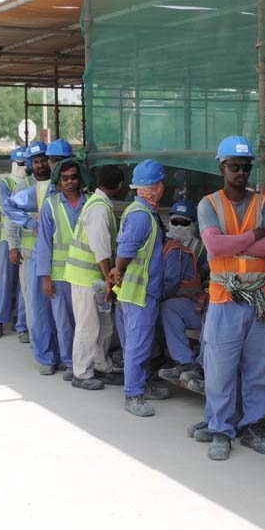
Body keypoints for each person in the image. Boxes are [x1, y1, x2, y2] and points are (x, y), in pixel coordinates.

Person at [197, 135, 265, 461]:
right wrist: (253, 236)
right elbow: (215, 248)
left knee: (259, 369)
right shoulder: (209, 204)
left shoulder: (263, 203)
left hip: (260, 299)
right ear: (222, 167)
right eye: (235, 166)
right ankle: (221, 430)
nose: (241, 172)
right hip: (224, 298)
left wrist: (235, 241)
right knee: (220, 369)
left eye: (246, 167)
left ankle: (254, 428)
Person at [111, 159, 172, 415]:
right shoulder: (141, 215)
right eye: (161, 183)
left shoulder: (143, 211)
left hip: (137, 292)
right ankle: (133, 394)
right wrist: (118, 271)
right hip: (138, 293)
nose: (163, 188)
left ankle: (142, 385)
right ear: (155, 187)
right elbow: (125, 252)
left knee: (138, 344)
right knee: (137, 345)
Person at [63, 164, 125, 386]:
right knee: (88, 326)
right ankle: (81, 373)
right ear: (119, 186)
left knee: (103, 324)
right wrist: (110, 276)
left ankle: (101, 365)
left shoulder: (99, 204)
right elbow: (101, 248)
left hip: (92, 278)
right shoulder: (99, 208)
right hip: (85, 278)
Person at [3, 141, 58, 370]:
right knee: (35, 306)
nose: (41, 165)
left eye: (45, 160)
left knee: (56, 310)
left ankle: (57, 352)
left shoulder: (62, 185)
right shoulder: (27, 186)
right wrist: (14, 244)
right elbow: (9, 212)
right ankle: (43, 353)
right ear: (30, 164)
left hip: (58, 257)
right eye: (36, 162)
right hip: (31, 253)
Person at [35, 157, 85, 379]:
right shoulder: (51, 205)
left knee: (84, 321)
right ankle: (69, 362)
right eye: (65, 178)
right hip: (59, 274)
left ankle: (84, 361)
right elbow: (44, 243)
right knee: (64, 322)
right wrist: (45, 277)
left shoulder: (89, 202)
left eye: (73, 177)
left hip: (84, 274)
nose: (70, 182)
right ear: (58, 180)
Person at [157, 200, 208, 389]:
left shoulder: (203, 247)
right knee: (167, 309)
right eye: (175, 222)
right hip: (180, 303)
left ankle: (202, 369)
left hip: (201, 303)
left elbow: (204, 275)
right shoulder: (167, 244)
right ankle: (184, 362)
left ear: (193, 224)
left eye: (184, 222)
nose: (179, 226)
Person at [0, 147, 29, 340]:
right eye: (20, 163)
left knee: (25, 286)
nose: (23, 167)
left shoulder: (31, 182)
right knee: (5, 280)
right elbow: (8, 208)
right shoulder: (4, 183)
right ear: (13, 164)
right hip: (8, 239)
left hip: (27, 240)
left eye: (25, 164)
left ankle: (22, 325)